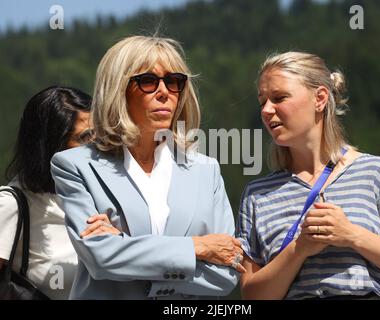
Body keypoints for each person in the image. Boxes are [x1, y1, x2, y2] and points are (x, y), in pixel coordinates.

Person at [50, 35, 244, 300]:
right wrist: (197, 247)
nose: (164, 92)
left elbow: (227, 272)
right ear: (117, 89)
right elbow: (100, 258)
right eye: (148, 81)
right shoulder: (75, 165)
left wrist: (125, 247)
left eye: (174, 81)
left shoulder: (206, 170)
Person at [237, 51, 380, 300]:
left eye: (279, 98)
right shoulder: (257, 195)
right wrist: (299, 249)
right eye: (262, 102)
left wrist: (351, 235)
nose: (267, 110)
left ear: (320, 98)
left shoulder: (376, 173)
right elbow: (252, 296)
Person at [0, 86, 93, 299]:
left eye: (98, 136)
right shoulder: (11, 204)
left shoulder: (93, 199)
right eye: (84, 138)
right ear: (51, 143)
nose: (95, 147)